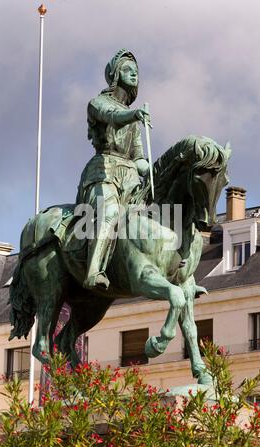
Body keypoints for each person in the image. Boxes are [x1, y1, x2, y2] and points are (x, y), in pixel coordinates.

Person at [76, 49, 150, 290]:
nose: (134, 74)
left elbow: (138, 159)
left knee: (157, 216)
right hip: (103, 171)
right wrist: (134, 114)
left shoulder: (133, 120)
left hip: (129, 178)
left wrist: (152, 170)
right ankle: (93, 271)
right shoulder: (97, 103)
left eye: (136, 71)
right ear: (116, 74)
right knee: (109, 213)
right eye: (128, 70)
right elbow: (112, 116)